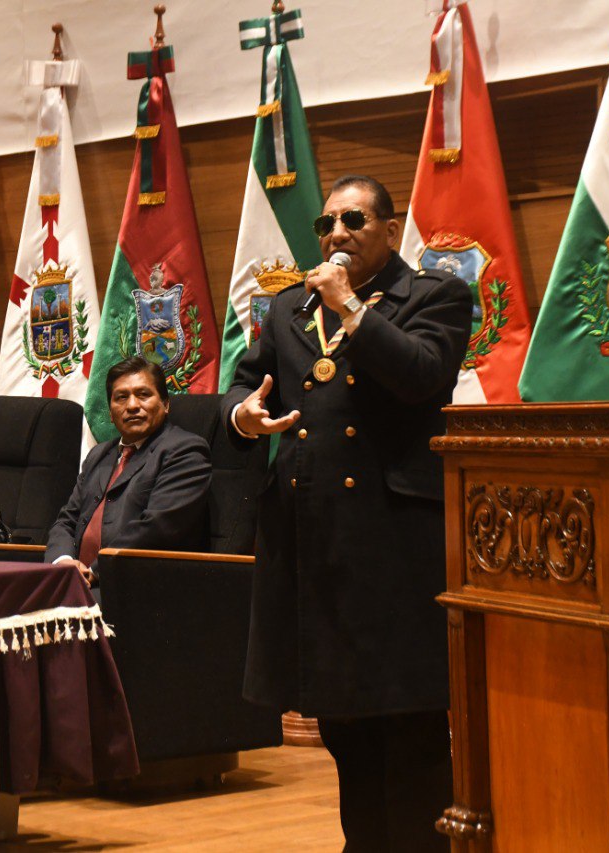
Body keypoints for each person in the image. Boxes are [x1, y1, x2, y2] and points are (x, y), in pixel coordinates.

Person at [222, 175, 472, 852]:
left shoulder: (435, 295)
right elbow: (244, 382)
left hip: (393, 544)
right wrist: (243, 416)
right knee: (345, 727)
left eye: (353, 220)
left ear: (390, 230)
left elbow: (422, 373)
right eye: (327, 223)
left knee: (409, 725)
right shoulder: (289, 307)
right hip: (314, 539)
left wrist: (352, 308)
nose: (336, 233)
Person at [45, 356, 212, 587]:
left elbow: (157, 529)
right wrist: (63, 562)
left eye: (143, 394)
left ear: (165, 404)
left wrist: (94, 572)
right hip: (77, 582)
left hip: (138, 586)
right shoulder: (99, 455)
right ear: (110, 413)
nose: (132, 405)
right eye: (121, 397)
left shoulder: (185, 451)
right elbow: (66, 521)